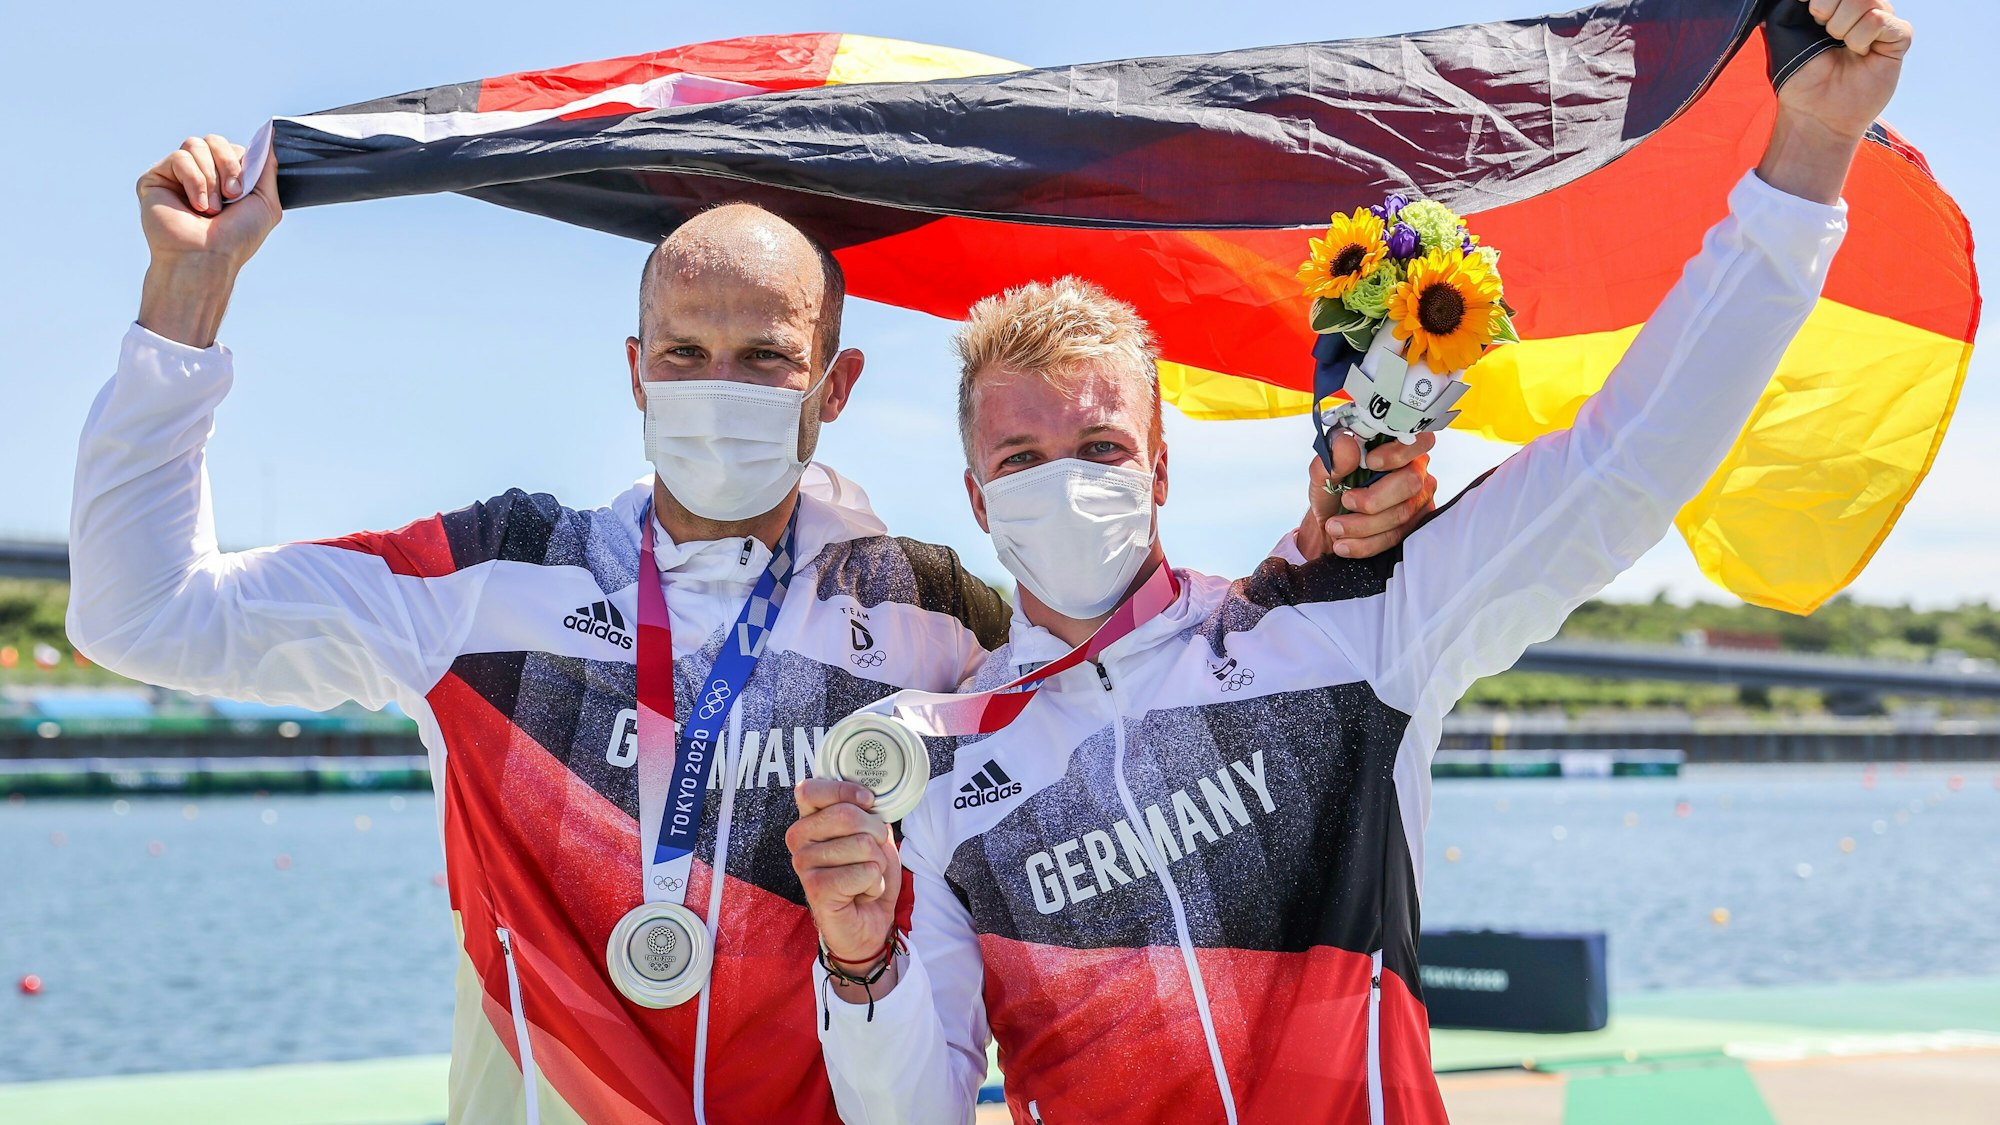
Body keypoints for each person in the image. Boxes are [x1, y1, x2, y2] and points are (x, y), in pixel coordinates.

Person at [65, 134, 1436, 1121]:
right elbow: (139, 613)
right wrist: (185, 304)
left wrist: (1317, 560)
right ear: (635, 368)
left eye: (766, 357)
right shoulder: (488, 578)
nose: (720, 387)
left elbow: (1133, 662)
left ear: (832, 383)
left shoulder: (926, 611)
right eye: (686, 353)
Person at [787, 2, 1912, 1121]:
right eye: (1021, 457)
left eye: (1099, 446)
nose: (1063, 481)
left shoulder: (1339, 624)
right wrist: (855, 963)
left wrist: (1807, 156)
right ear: (977, 495)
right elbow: (911, 1112)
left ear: (1161, 467)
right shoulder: (930, 768)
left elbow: (1621, 468)